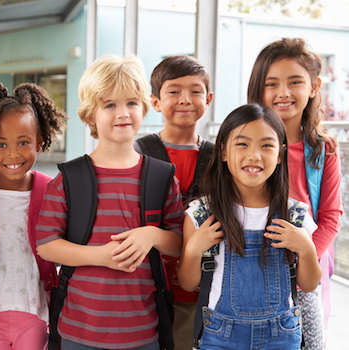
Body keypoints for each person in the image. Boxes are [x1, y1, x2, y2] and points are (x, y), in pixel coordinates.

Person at [36, 54, 184, 350]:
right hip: (79, 332)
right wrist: (100, 256)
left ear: (144, 107)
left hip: (144, 332)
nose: (123, 113)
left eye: (131, 102)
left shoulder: (162, 177)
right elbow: (46, 245)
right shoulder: (70, 178)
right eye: (109, 105)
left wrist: (152, 235)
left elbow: (179, 243)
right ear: (90, 114)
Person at [178, 103, 322, 350]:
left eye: (266, 145)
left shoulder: (295, 214)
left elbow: (308, 285)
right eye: (242, 144)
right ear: (223, 151)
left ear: (279, 155)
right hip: (219, 337)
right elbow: (188, 283)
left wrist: (307, 249)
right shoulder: (202, 214)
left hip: (282, 337)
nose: (254, 155)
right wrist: (193, 250)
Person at [247, 37, 342, 349]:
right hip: (248, 268)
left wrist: (305, 256)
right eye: (271, 83)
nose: (283, 93)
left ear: (314, 86)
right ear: (258, 89)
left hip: (304, 274)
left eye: (295, 82)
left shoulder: (322, 150)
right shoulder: (243, 143)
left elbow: (330, 216)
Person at [0, 82, 67, 350]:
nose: (13, 154)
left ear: (39, 142)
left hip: (35, 313)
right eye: (1, 144)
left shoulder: (51, 190)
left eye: (23, 142)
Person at [134, 54, 214, 350]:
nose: (185, 99)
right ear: (154, 101)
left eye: (195, 91)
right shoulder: (139, 152)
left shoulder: (219, 157)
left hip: (201, 287)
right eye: (174, 91)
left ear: (209, 99)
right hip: (146, 286)